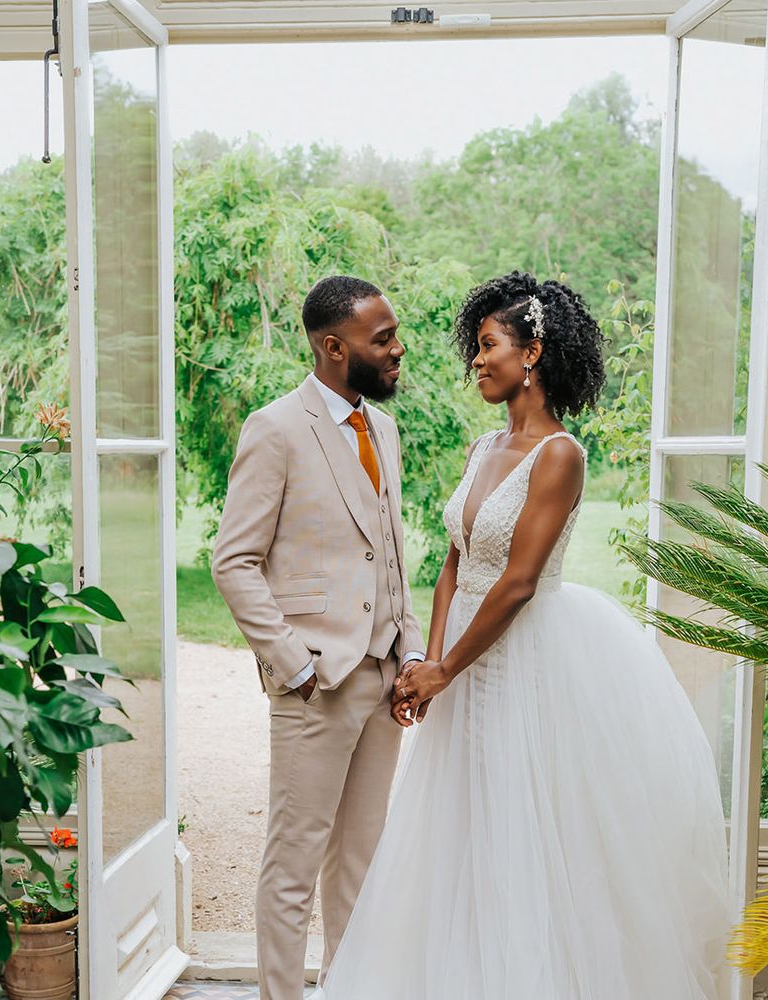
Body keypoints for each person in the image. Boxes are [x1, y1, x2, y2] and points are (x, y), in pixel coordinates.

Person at [313, 271, 729, 999]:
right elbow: (454, 566)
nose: (476, 360)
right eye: (476, 347)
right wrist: (430, 664)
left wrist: (447, 670)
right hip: (462, 668)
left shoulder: (560, 455)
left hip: (528, 663)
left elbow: (517, 583)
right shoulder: (482, 448)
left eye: (488, 345)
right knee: (458, 835)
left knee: (522, 833)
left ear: (532, 353)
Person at [211, 275, 425, 1000]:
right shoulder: (275, 429)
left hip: (383, 679)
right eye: (382, 339)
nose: (398, 349)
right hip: (315, 684)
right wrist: (295, 666)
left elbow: (392, 553)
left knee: (360, 860)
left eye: (394, 334)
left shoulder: (384, 429)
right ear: (334, 348)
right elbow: (232, 561)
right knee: (293, 864)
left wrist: (411, 652)